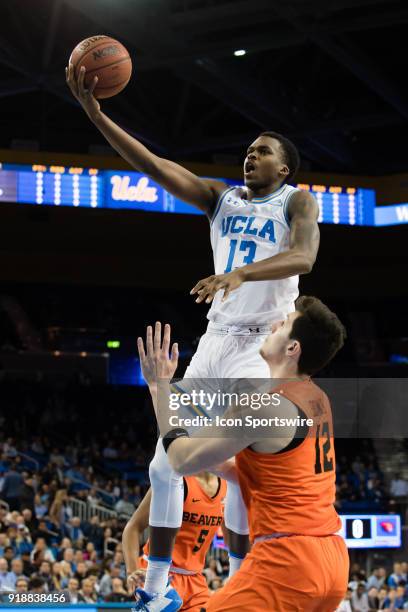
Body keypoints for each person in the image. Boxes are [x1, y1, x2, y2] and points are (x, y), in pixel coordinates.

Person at [66, 64, 320, 611]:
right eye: (248, 150)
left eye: (262, 151)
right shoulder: (220, 200)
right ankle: (156, 590)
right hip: (215, 342)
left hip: (261, 347)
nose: (250, 156)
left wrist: (240, 274)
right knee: (164, 465)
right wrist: (96, 114)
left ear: (286, 167)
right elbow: (154, 166)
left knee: (242, 469)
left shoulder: (296, 202)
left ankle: (236, 582)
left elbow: (304, 256)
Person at [137, 296, 349, 611]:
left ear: (293, 348)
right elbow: (251, 471)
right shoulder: (318, 399)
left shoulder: (263, 405)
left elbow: (180, 458)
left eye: (284, 323)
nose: (274, 324)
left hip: (288, 563)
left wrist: (160, 387)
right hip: (332, 560)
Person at [123, 472, 226, 611]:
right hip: (159, 572)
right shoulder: (175, 478)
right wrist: (131, 571)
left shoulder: (228, 484)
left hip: (195, 579)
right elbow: (133, 528)